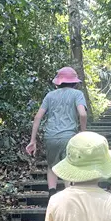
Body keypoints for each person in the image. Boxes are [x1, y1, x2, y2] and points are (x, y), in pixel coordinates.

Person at [26, 66, 87, 195]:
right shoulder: (78, 94)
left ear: (58, 82)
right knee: (68, 166)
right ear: (75, 82)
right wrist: (83, 132)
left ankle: (52, 197)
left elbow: (37, 117)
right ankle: (69, 197)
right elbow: (82, 114)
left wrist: (32, 140)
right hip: (69, 137)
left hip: (50, 136)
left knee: (52, 167)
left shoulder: (50, 96)